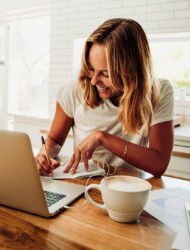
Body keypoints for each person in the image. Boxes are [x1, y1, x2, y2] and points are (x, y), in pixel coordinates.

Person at [35, 18, 174, 177]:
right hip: (83, 183)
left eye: (106, 74)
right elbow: (54, 140)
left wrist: (102, 138)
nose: (94, 81)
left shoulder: (159, 91)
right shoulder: (72, 91)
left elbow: (159, 164)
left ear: (131, 70)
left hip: (129, 188)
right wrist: (43, 155)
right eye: (91, 69)